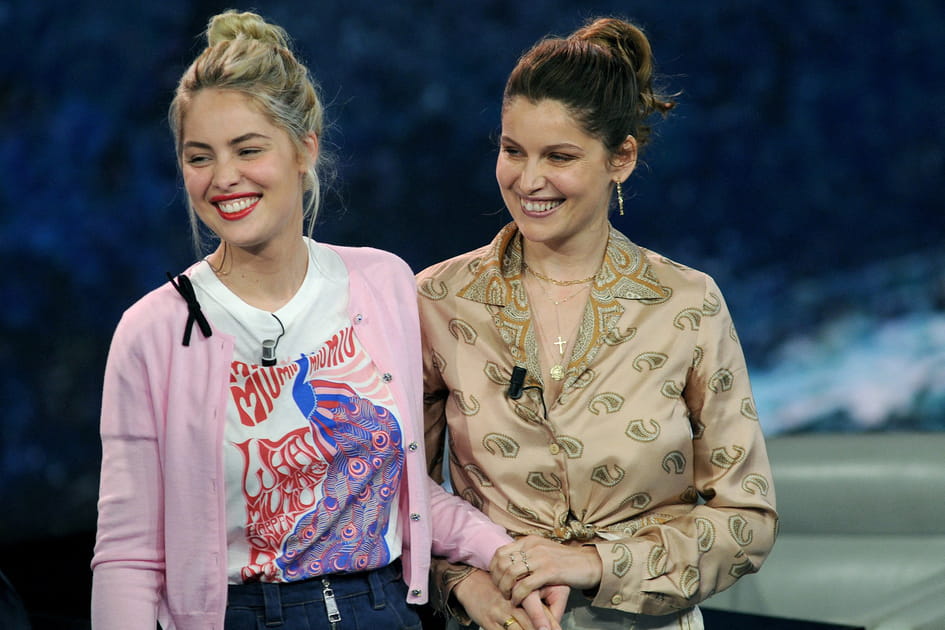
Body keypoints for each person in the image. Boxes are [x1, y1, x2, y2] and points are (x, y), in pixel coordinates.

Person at [90, 10, 547, 630]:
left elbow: (402, 489)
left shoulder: (382, 284)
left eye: (248, 149)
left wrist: (505, 557)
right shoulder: (153, 331)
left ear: (304, 148)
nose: (224, 178)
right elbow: (128, 557)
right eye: (200, 157)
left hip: (383, 608)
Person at [417, 16, 778, 630]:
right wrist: (464, 586)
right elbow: (399, 498)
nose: (528, 180)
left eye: (558, 157)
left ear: (622, 159)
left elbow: (746, 520)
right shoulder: (439, 298)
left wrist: (594, 564)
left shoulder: (685, 303)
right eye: (512, 151)